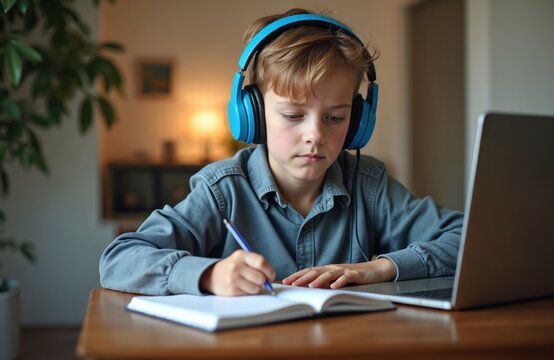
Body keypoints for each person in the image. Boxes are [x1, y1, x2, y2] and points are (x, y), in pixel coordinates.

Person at [99, 8, 463, 297]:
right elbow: (119, 259)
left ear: (358, 121)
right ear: (253, 114)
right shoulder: (222, 190)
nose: (315, 135)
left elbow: (465, 238)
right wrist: (208, 274)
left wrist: (380, 268)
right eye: (292, 115)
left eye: (336, 117)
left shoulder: (369, 184)